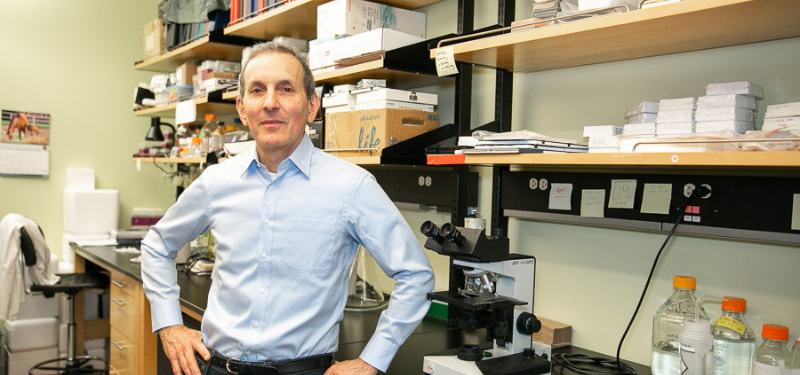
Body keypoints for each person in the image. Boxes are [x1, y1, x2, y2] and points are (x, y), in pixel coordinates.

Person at [141, 41, 435, 375]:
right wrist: (169, 326)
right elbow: (156, 245)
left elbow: (416, 275)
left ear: (312, 106)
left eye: (285, 89)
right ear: (241, 107)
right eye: (257, 91)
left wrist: (371, 361)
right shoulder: (216, 182)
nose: (269, 104)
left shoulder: (352, 186)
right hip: (215, 368)